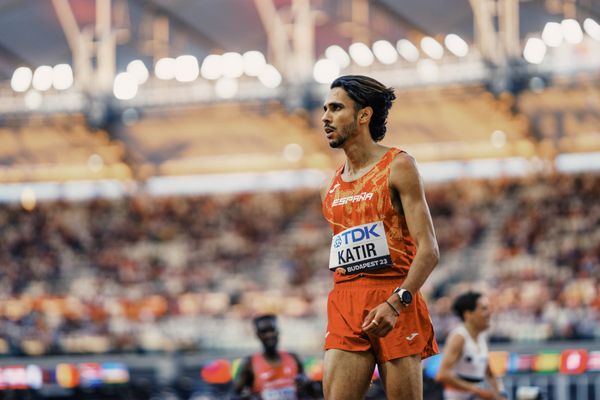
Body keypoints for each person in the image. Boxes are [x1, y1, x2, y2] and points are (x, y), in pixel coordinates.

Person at [320, 75, 440, 400]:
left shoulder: (399, 166)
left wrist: (397, 302)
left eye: (336, 108)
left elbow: (428, 250)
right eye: (325, 108)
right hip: (346, 298)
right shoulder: (331, 185)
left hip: (394, 296)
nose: (325, 117)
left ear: (363, 115)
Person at [435, 291, 506, 399]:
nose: (490, 312)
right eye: (484, 309)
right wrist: (478, 391)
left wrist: (501, 392)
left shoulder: (481, 336)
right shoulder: (459, 337)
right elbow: (442, 375)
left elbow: (489, 372)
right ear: (468, 315)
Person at [231, 314, 312, 400]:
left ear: (277, 331)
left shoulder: (293, 358)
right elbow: (233, 395)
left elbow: (310, 388)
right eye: (264, 331)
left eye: (272, 330)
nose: (269, 335)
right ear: (257, 335)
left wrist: (305, 382)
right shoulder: (249, 364)